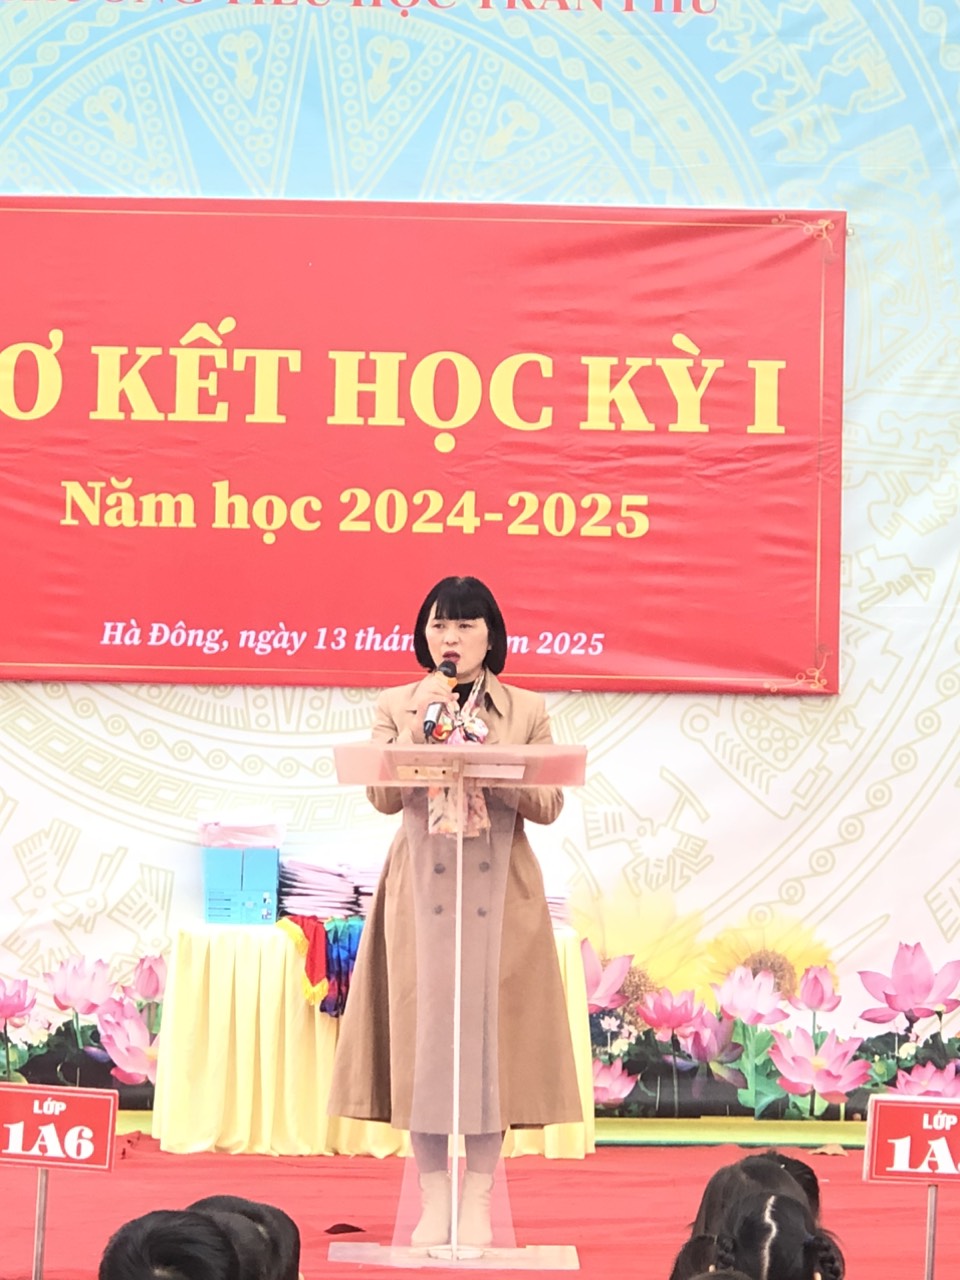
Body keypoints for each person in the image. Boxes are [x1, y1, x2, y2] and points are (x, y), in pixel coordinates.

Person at [327, 575, 581, 1250]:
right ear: (424, 636)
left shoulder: (525, 708)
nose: (452, 637)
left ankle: (480, 1196)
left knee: (491, 1046)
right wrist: (425, 719)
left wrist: (494, 764)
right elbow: (383, 796)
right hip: (422, 893)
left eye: (466, 625)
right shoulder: (398, 703)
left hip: (501, 896)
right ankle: (433, 1193)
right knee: (427, 1042)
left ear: (490, 637)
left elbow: (551, 805)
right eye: (440, 624)